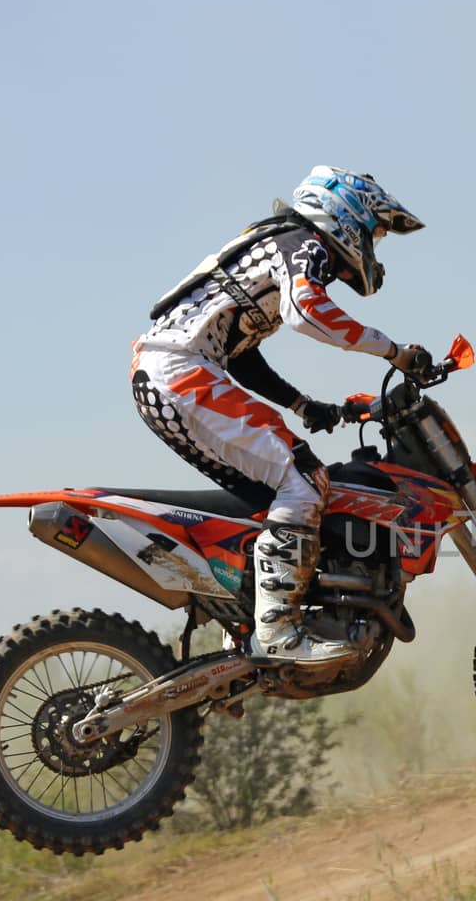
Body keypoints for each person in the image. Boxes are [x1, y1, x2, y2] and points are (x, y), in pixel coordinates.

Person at [129, 166, 425, 663]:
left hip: (170, 372)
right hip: (179, 371)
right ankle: (277, 632)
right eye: (374, 232)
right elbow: (307, 312)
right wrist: (393, 351)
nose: (374, 248)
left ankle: (240, 636)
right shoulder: (299, 243)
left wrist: (302, 404)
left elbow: (241, 355)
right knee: (305, 479)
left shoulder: (272, 249)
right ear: (345, 215)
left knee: (272, 496)